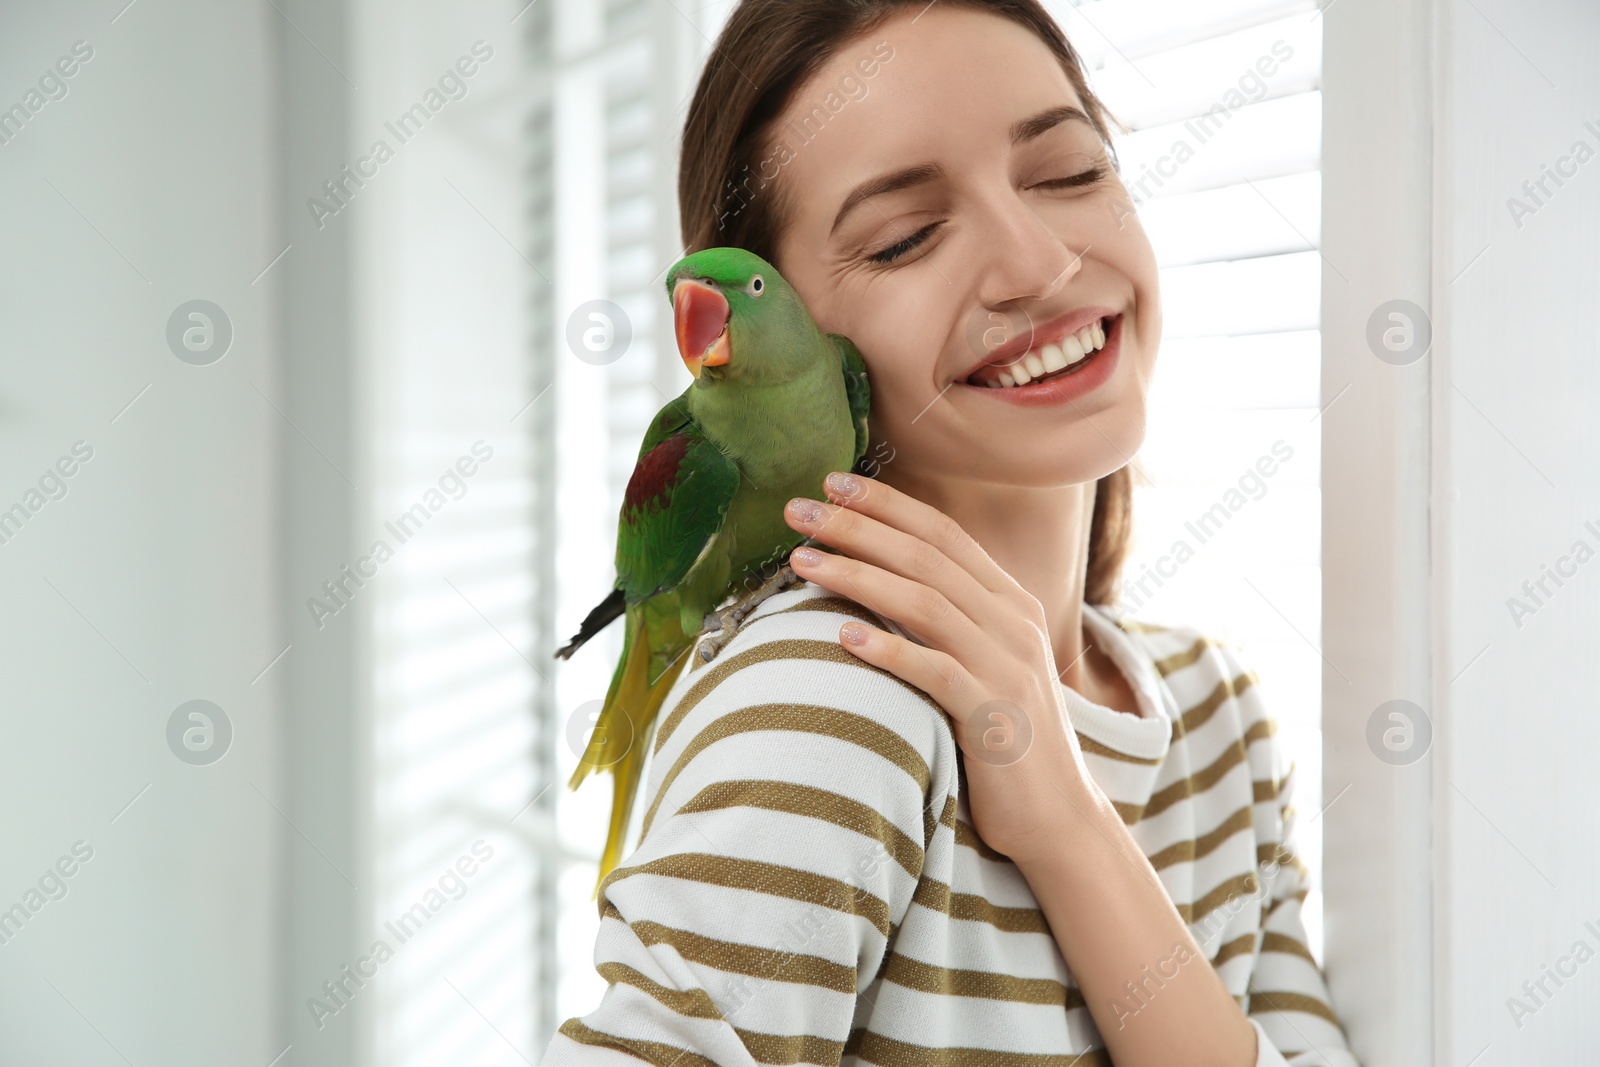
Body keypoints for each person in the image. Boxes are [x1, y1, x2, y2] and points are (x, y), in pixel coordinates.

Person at [541, 1, 1361, 1064]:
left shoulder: (1216, 712)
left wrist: (1064, 820)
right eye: (905, 237)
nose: (1036, 263)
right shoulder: (834, 690)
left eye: (1068, 171)